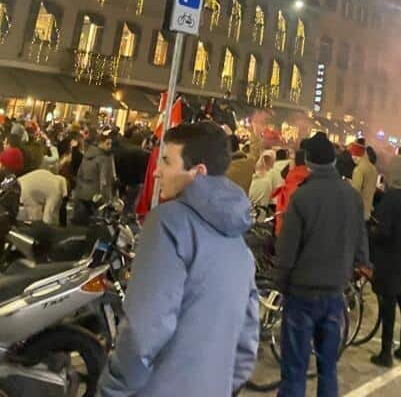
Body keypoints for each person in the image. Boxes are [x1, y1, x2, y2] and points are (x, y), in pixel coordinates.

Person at [98, 121, 260, 397]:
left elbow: (144, 330)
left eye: (167, 162)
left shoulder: (168, 223)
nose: (158, 172)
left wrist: (113, 387)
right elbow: (246, 344)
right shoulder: (239, 245)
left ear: (198, 172)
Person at [274, 132, 368, 397]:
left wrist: (281, 281)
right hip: (336, 292)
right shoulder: (351, 197)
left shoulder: (302, 198)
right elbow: (360, 238)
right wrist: (362, 266)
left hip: (302, 294)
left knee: (295, 368)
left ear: (310, 162)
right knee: (328, 368)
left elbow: (287, 249)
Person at [370, 154, 401, 368]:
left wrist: (372, 233)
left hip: (389, 259)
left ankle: (385, 352)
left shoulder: (391, 198)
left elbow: (384, 231)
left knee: (388, 305)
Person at [73, 129, 116, 225]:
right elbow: (104, 181)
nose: (110, 146)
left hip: (82, 191)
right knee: (93, 223)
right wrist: (107, 198)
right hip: (95, 194)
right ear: (101, 143)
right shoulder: (103, 159)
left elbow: (79, 173)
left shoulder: (87, 155)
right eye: (107, 144)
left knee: (79, 221)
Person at [273, 149, 310, 236]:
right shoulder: (310, 182)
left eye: (292, 159)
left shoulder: (290, 185)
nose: (289, 162)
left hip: (286, 235)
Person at [352, 145, 378, 223]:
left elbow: (355, 192)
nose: (353, 158)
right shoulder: (373, 168)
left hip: (357, 212)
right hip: (367, 210)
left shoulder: (359, 169)